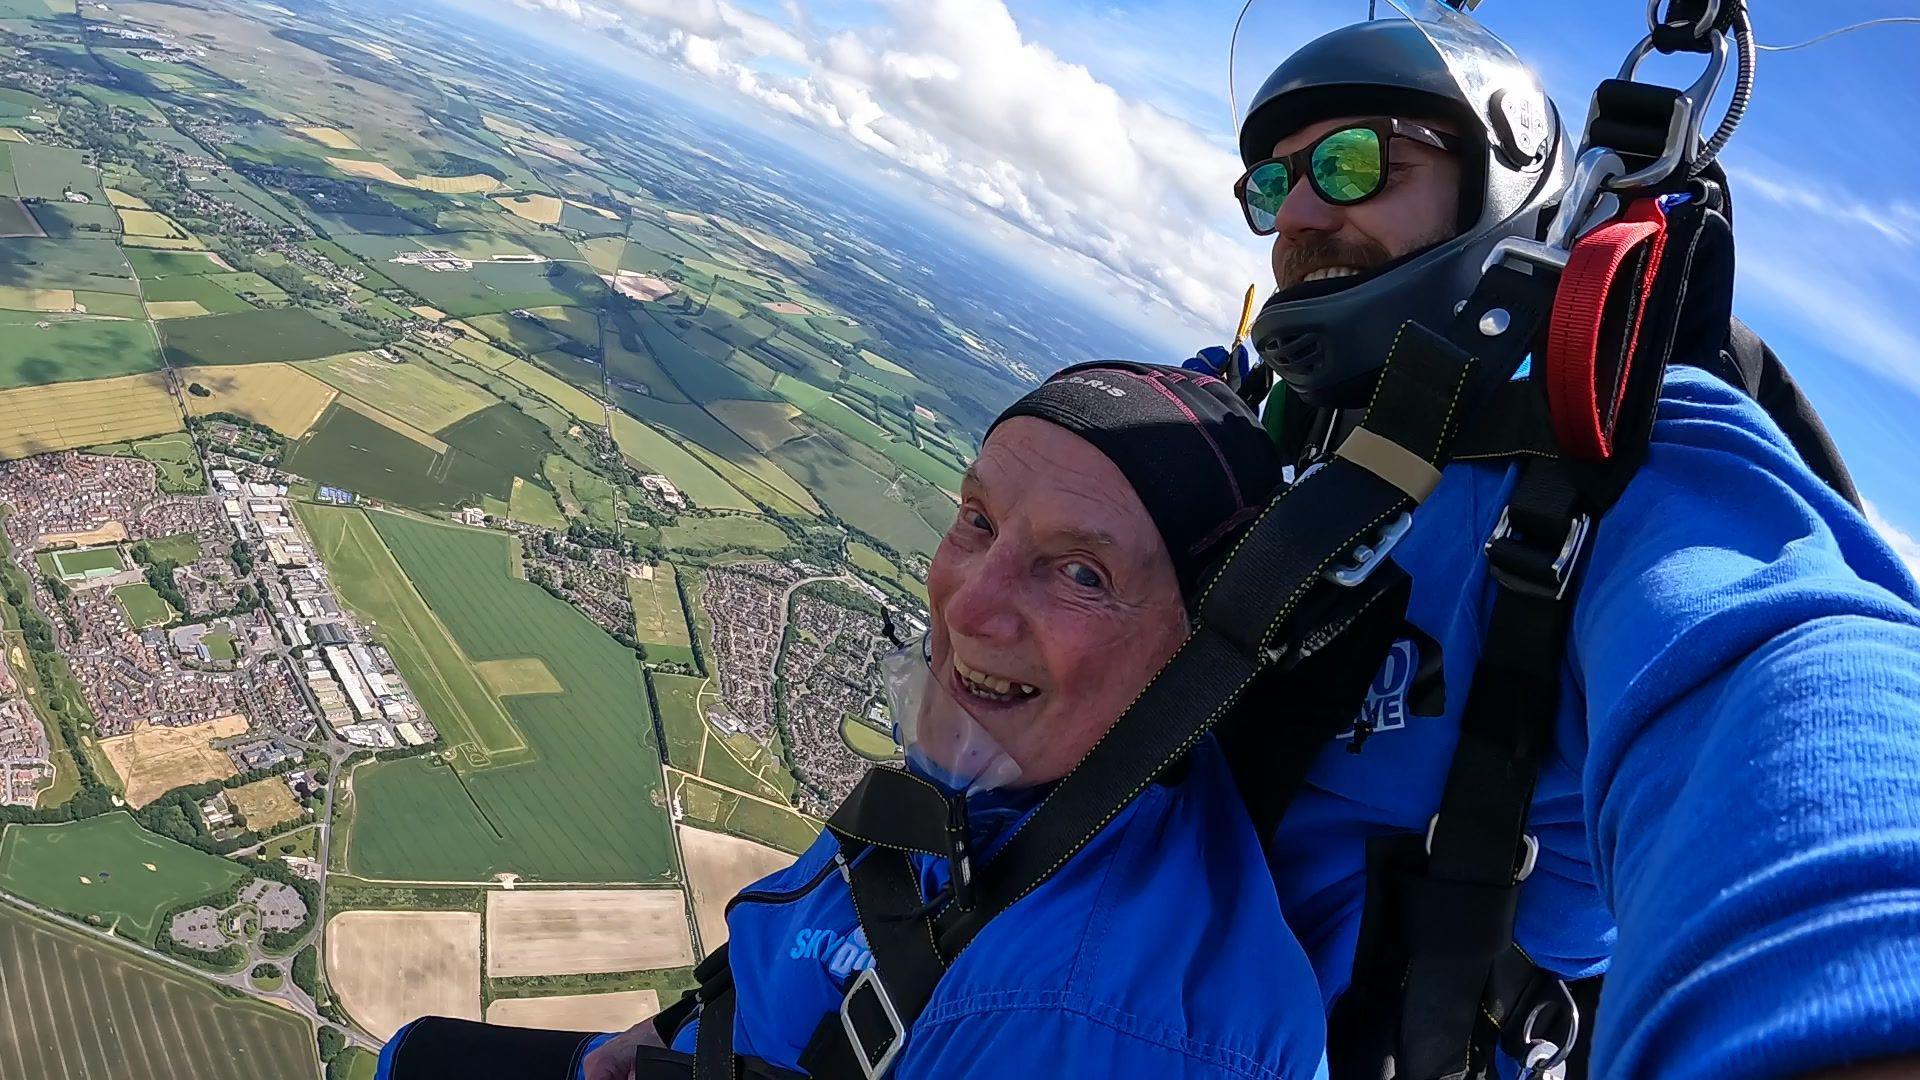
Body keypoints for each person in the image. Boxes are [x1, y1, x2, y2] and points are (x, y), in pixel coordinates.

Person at [1191, 11, 1920, 1079]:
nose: (1293, 212)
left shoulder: (1618, 448)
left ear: (1500, 178)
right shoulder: (1278, 433)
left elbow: (1786, 669)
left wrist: (1853, 994)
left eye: (1353, 165)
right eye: (1270, 184)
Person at [382, 363, 1330, 1080]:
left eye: (1082, 573)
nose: (969, 608)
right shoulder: (1001, 790)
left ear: (1198, 656)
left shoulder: (1094, 1024)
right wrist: (672, 1031)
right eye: (978, 521)